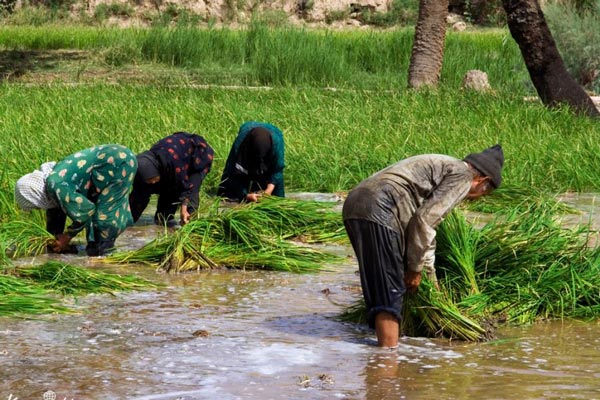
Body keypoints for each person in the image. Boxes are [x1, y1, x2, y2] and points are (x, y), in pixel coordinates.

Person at [342, 144, 504, 348]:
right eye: (482, 193)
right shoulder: (463, 175)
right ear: (483, 180)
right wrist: (414, 269)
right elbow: (424, 222)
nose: (475, 198)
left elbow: (423, 231)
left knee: (378, 285)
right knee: (391, 293)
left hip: (355, 204)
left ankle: (377, 354)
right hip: (381, 207)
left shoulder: (444, 165)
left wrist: (430, 278)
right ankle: (386, 364)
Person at [14, 144, 138, 256]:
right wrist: (52, 240)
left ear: (34, 196)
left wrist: (67, 237)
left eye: (36, 206)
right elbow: (56, 213)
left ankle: (106, 256)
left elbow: (86, 211)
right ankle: (97, 250)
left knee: (104, 218)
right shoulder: (51, 188)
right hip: (107, 164)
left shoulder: (56, 184)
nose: (39, 208)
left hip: (118, 163)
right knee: (94, 242)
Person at [129, 132, 214, 227]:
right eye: (149, 181)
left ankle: (191, 226)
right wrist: (128, 221)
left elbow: (185, 187)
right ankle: (164, 222)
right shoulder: (145, 168)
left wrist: (184, 208)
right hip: (171, 164)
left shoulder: (173, 163)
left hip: (196, 156)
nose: (152, 182)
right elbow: (138, 199)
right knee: (163, 217)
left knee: (190, 194)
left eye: (152, 179)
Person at [218, 121, 285, 203]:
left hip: (272, 139)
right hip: (249, 137)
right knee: (230, 193)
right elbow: (234, 171)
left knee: (277, 198)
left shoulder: (276, 144)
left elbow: (277, 169)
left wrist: (268, 191)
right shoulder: (240, 145)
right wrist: (245, 195)